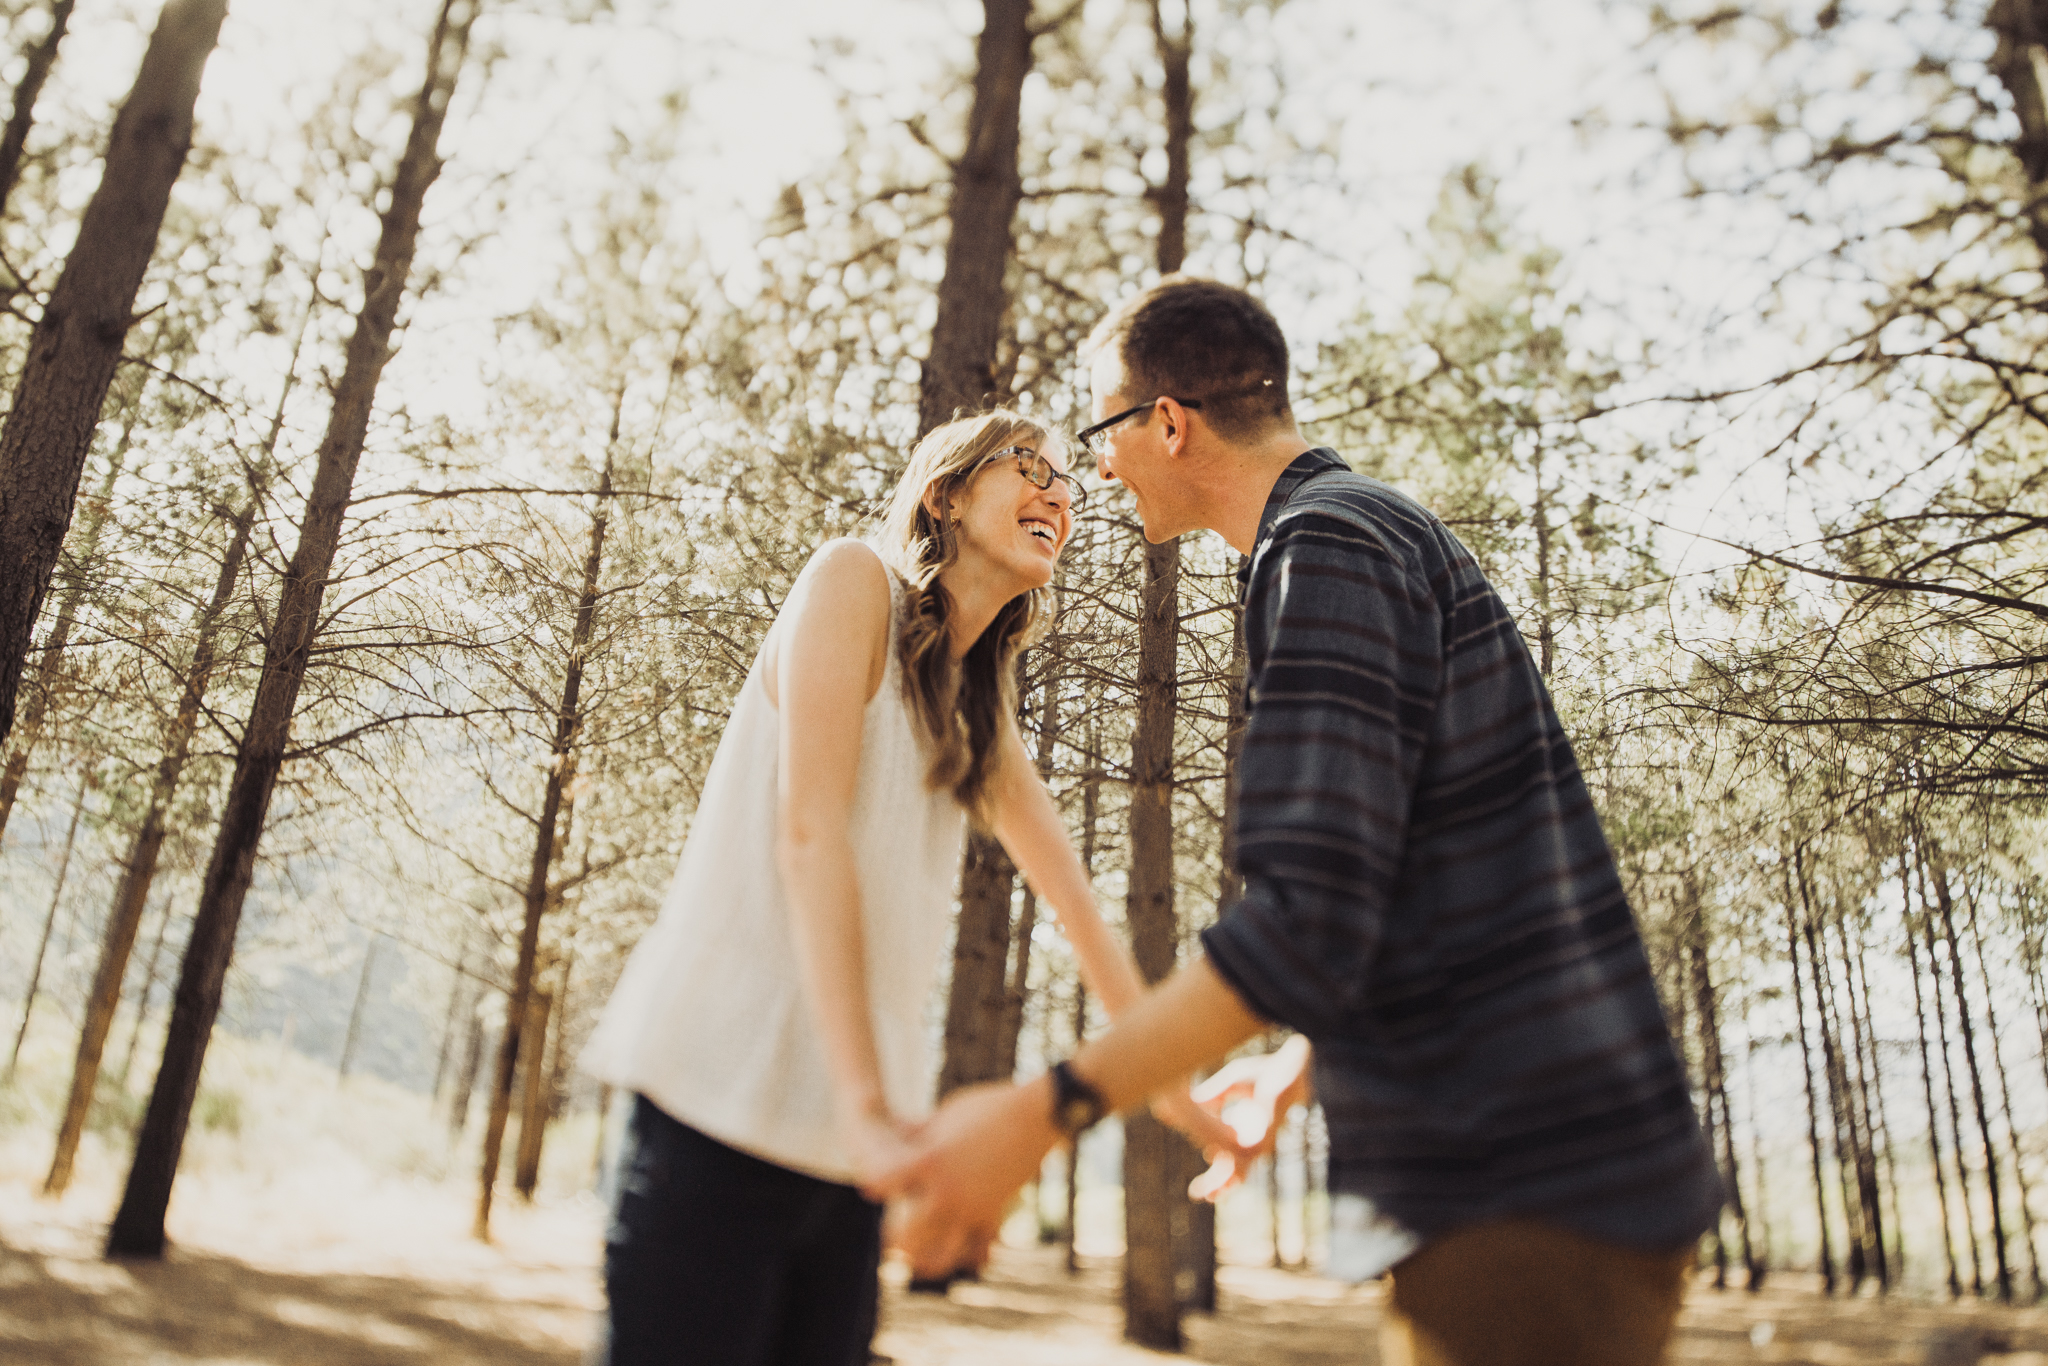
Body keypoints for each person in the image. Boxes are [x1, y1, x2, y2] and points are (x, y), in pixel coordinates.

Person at [876, 280, 1726, 1366]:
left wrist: (1039, 1113)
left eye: (1099, 432)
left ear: (1168, 423)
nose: (1096, 468)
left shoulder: (1323, 548)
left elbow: (1306, 920)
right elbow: (1409, 880)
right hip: (1548, 1179)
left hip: (1512, 1183)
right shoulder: (1369, 531)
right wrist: (1296, 1068)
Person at [580, 409, 1240, 1366]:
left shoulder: (976, 709)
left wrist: (1182, 1100)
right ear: (946, 495)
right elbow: (808, 834)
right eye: (1029, 466)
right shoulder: (852, 582)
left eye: (1067, 483)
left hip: (854, 1163)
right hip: (711, 1121)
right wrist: (863, 1107)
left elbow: (1084, 919)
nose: (1059, 492)